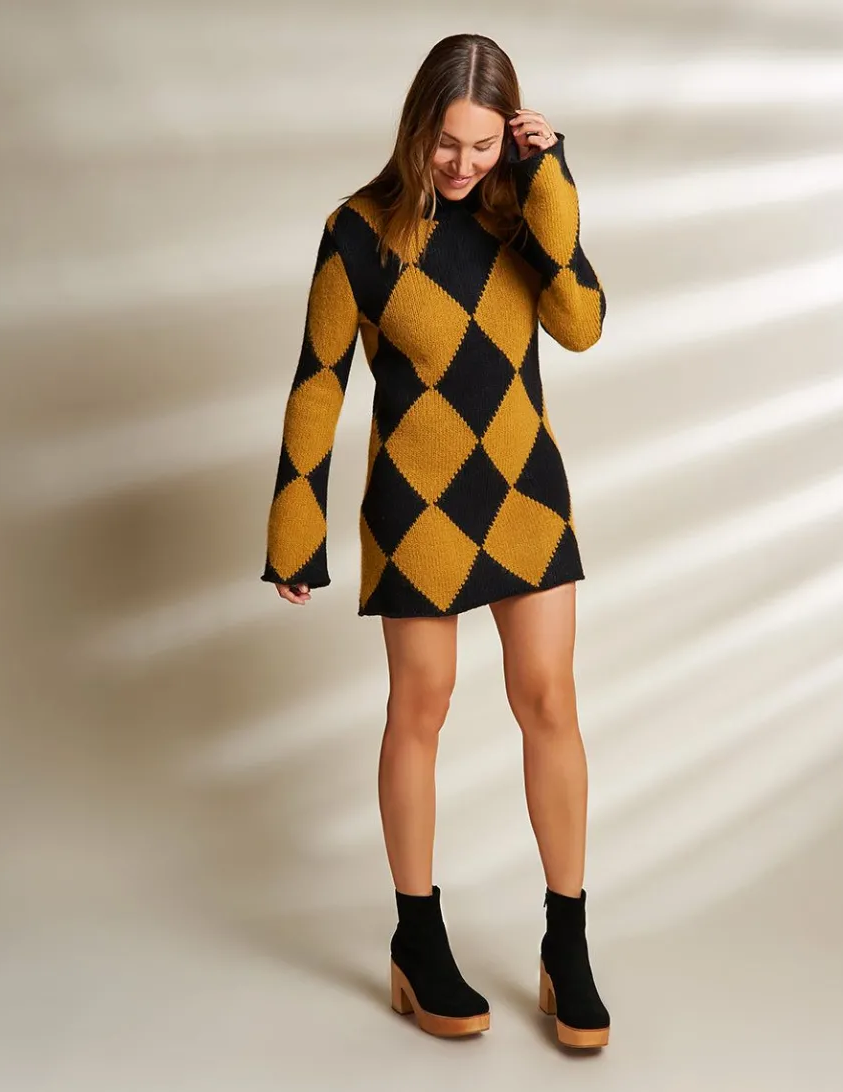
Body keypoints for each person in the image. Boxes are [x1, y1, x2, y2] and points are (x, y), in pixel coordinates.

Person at [260, 32, 610, 1049]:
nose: (462, 163)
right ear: (417, 128)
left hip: (525, 492)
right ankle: (418, 940)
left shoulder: (522, 213)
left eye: (484, 144)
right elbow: (319, 382)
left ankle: (567, 943)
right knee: (420, 707)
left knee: (549, 702)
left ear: (510, 136)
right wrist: (295, 532)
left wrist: (549, 179)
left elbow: (582, 323)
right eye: (446, 142)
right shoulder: (357, 232)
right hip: (416, 506)